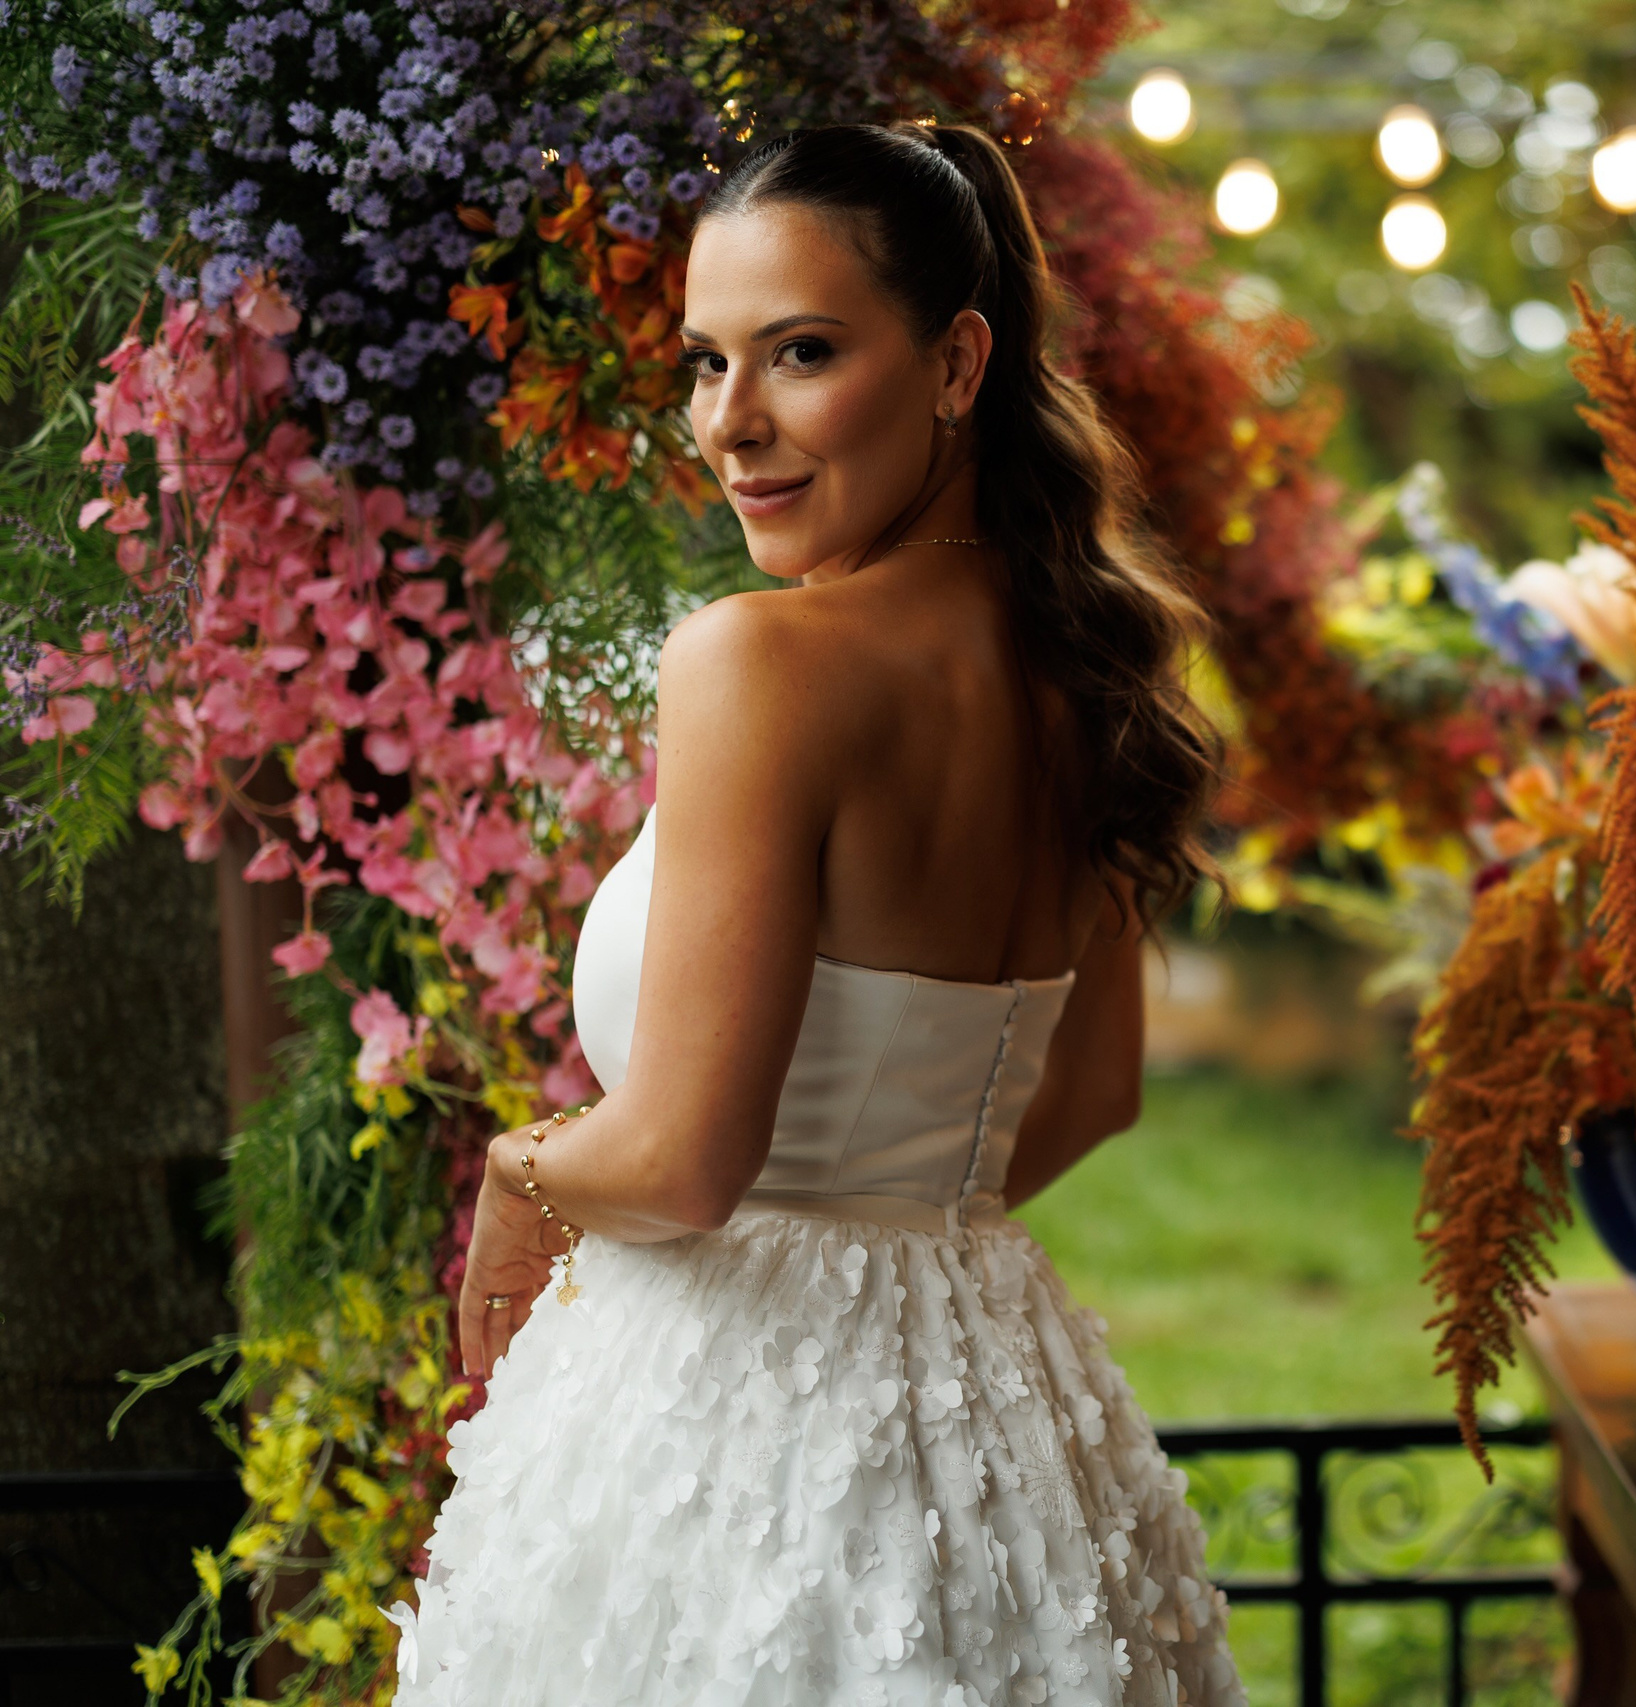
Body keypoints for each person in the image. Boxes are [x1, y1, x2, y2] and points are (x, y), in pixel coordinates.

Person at [390, 122, 1243, 1706]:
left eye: (800, 353)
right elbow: (1092, 1095)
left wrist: (521, 1175)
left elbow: (684, 1162)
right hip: (1005, 1427)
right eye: (708, 363)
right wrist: (902, 1209)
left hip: (729, 1426)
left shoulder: (757, 663)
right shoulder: (1095, 677)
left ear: (954, 363)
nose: (733, 424)